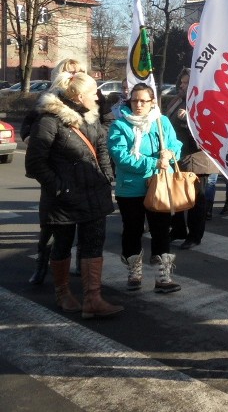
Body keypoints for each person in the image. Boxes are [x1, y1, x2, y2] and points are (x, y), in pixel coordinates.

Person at [25, 72, 123, 318]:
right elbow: (35, 163)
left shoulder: (90, 116)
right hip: (63, 200)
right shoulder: (49, 120)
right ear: (80, 96)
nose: (97, 98)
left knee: (93, 245)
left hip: (93, 193)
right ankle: (63, 293)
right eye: (93, 94)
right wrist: (60, 188)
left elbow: (101, 146)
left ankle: (93, 299)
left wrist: (106, 176)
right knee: (63, 245)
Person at [108, 82, 183, 293]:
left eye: (143, 101)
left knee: (161, 229)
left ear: (152, 103)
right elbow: (121, 157)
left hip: (160, 184)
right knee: (132, 230)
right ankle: (134, 270)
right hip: (131, 188)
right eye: (135, 100)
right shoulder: (119, 125)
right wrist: (153, 163)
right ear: (129, 102)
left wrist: (170, 154)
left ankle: (163, 276)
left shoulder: (162, 122)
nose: (139, 104)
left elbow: (175, 144)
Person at [23, 58, 87, 285]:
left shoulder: (89, 99)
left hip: (83, 172)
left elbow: (102, 125)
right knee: (51, 222)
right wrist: (31, 138)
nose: (75, 75)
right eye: (71, 71)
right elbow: (29, 124)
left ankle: (80, 263)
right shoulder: (50, 100)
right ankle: (42, 263)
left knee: (84, 222)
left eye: (79, 71)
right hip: (56, 170)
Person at [164, 68, 218, 249]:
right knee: (177, 196)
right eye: (181, 82)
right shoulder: (177, 100)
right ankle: (178, 229)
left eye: (186, 83)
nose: (182, 85)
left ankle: (195, 235)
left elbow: (210, 134)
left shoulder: (205, 103)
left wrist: (190, 122)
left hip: (197, 159)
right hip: (178, 157)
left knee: (196, 199)